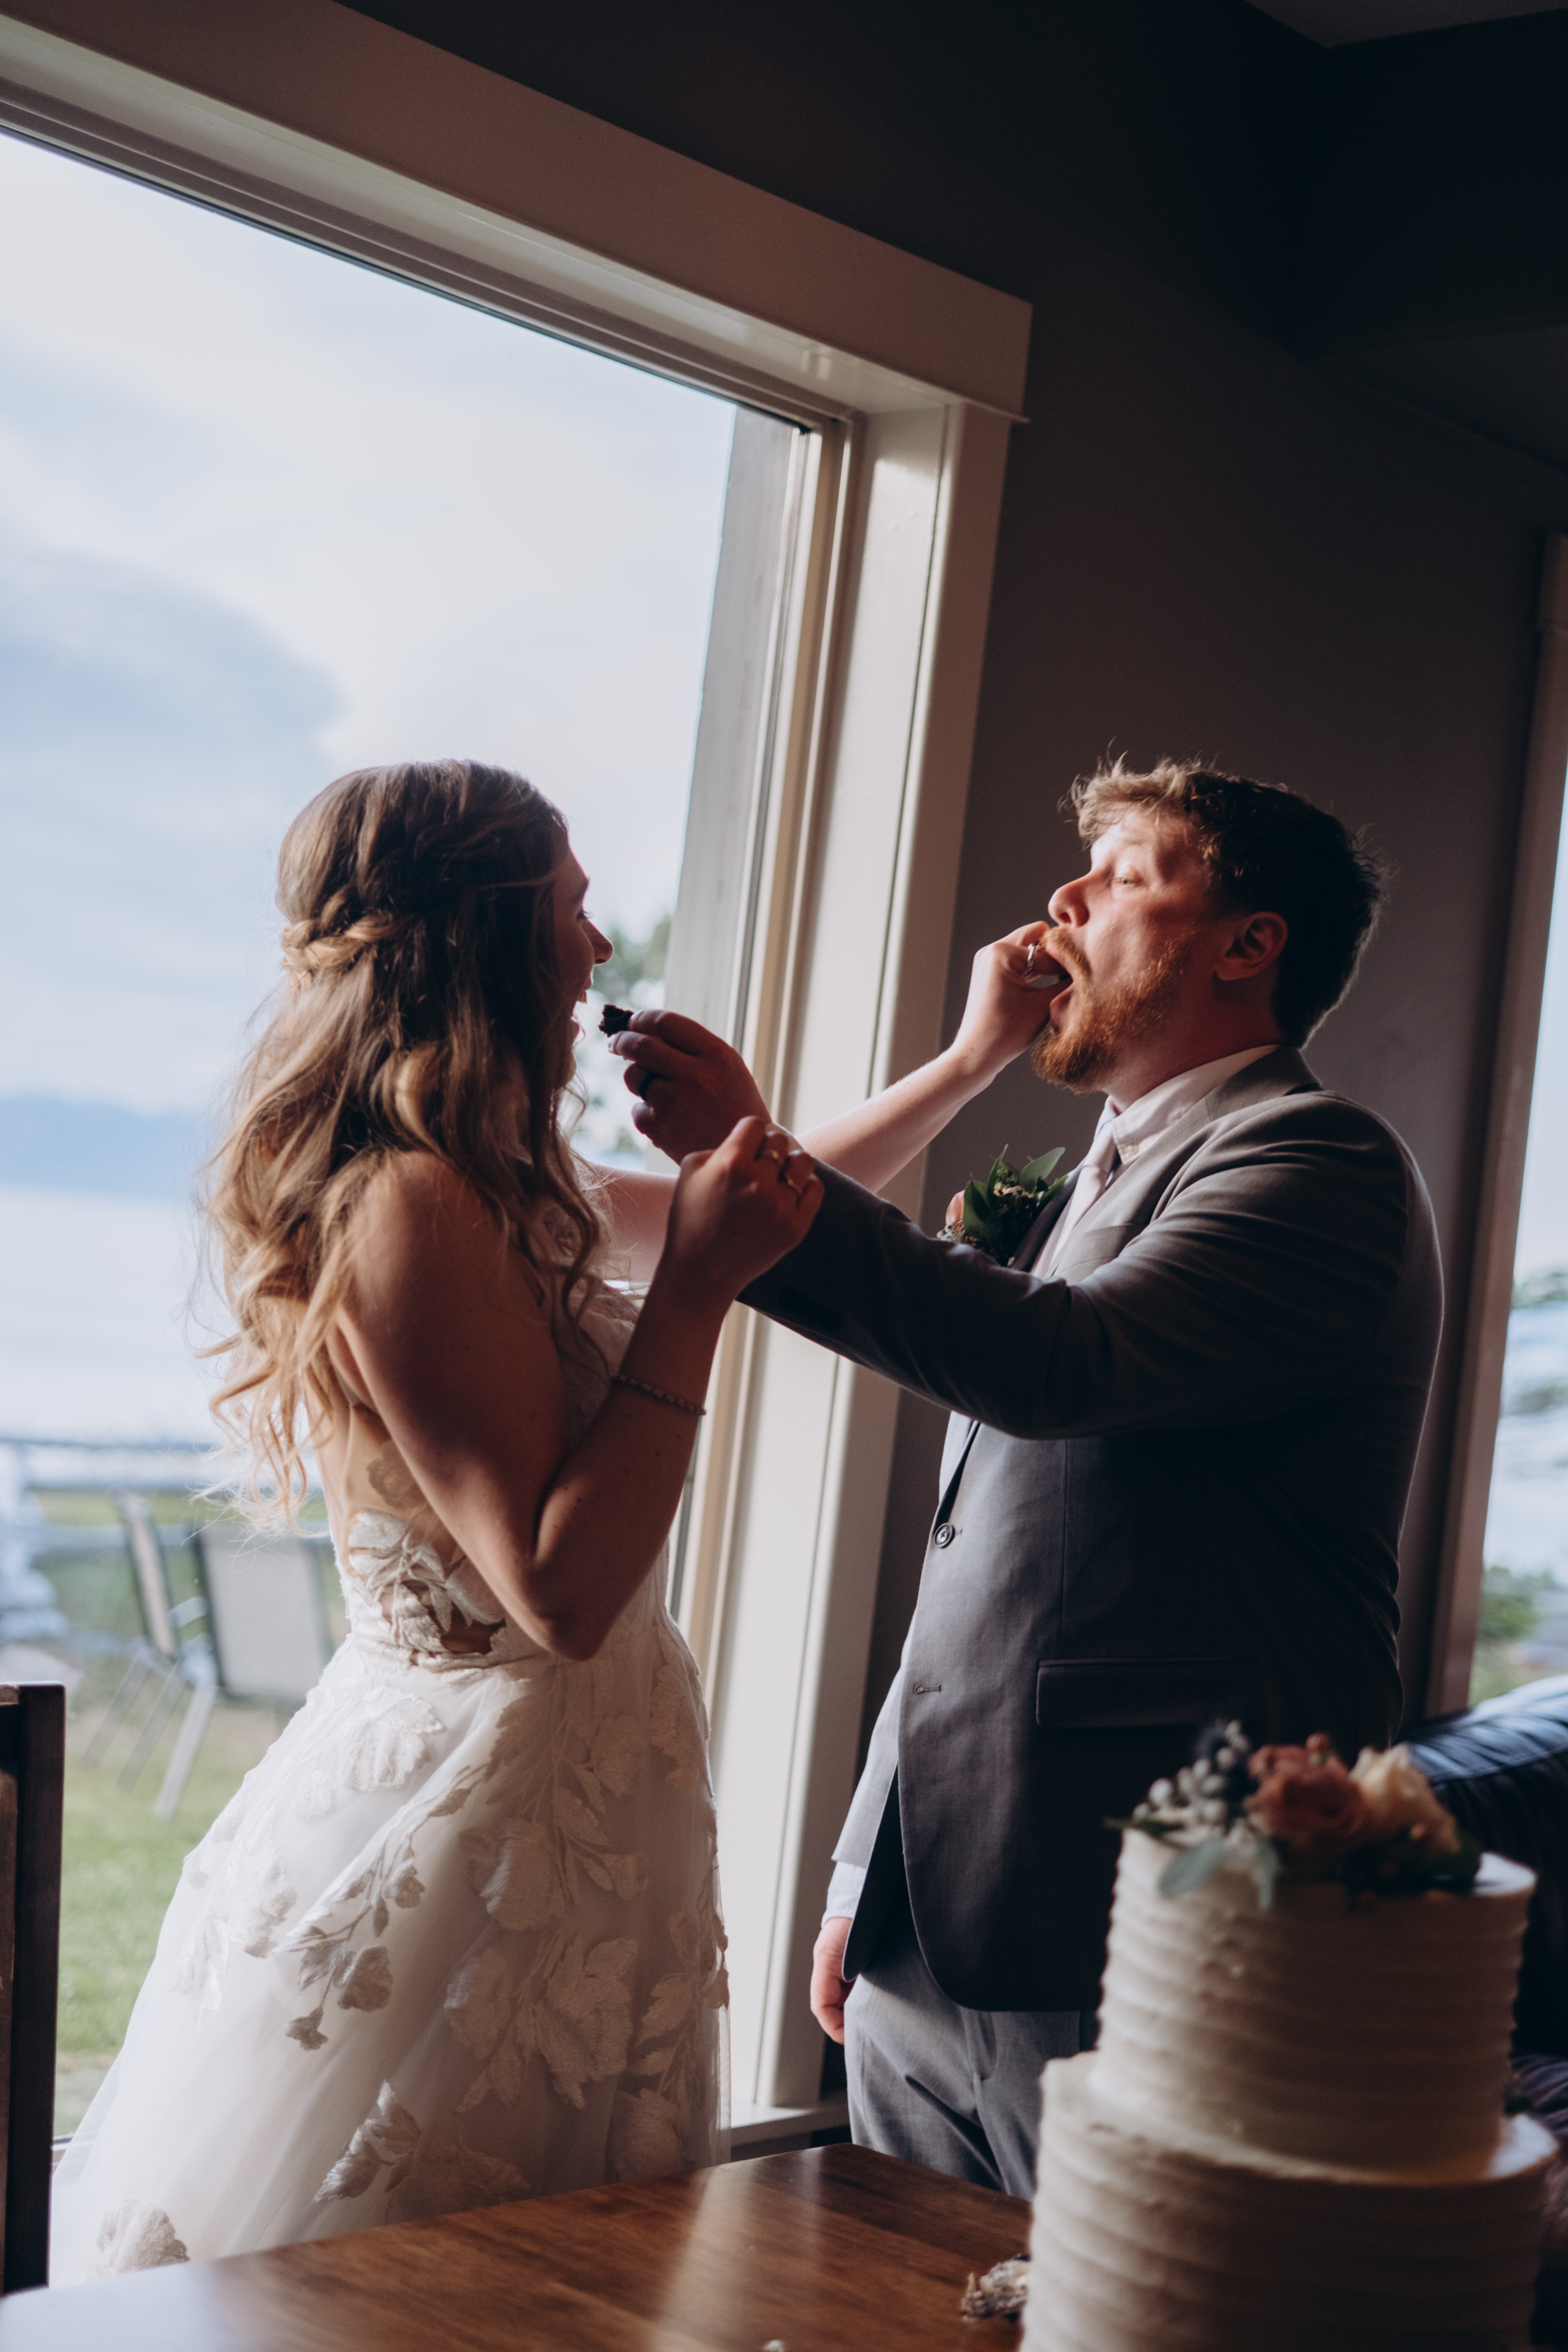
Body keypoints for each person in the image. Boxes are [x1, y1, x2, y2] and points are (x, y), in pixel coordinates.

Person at [607, 759, 1444, 2199]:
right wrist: (865, 1872)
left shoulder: (1321, 1164)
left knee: (1130, 2288)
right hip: (937, 1908)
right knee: (910, 2295)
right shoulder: (1077, 1185)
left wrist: (751, 1160)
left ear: (1247, 943)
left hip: (1152, 1900)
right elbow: (974, 1555)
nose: (1064, 895)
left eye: (1123, 872)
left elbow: (1061, 1364)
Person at [50, 758, 826, 2280]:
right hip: (480, 1823)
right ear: (486, 930)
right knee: (428, 2280)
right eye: (572, 910)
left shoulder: (511, 1182)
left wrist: (971, 1056)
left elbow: (788, 1206)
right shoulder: (408, 1201)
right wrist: (692, 1293)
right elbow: (559, 1593)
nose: (596, 947)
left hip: (589, 1803)